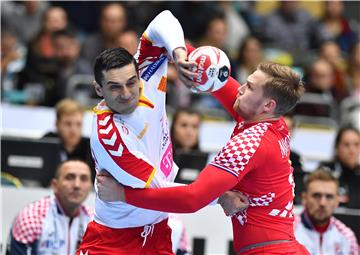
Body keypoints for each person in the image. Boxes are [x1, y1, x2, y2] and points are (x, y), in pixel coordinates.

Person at [96, 61, 311, 254]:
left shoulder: (250, 144)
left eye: (250, 87)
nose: (241, 88)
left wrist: (123, 194)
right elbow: (220, 81)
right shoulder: (274, 122)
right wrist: (181, 53)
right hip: (282, 247)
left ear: (268, 106)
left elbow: (192, 199)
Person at [78, 10, 238, 255]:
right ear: (98, 89)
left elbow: (164, 19)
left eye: (131, 82)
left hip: (158, 231)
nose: (127, 93)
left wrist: (179, 54)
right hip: (113, 241)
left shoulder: (146, 69)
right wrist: (218, 197)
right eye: (114, 87)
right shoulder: (109, 136)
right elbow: (161, 191)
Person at [7, 159, 93, 255]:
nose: (77, 185)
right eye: (70, 177)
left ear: (90, 186)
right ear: (54, 185)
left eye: (84, 179)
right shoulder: (31, 217)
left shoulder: (94, 221)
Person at [294, 168, 359, 254]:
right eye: (316, 196)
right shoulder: (289, 232)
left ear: (337, 201)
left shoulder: (347, 237)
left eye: (329, 197)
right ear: (304, 198)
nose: (322, 203)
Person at [43, 98, 94, 183]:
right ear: (57, 124)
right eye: (68, 124)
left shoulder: (91, 147)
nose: (73, 130)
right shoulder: (46, 143)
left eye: (78, 124)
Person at [319, 126, 360, 208]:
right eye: (346, 145)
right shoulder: (325, 172)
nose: (352, 150)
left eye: (356, 145)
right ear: (337, 147)